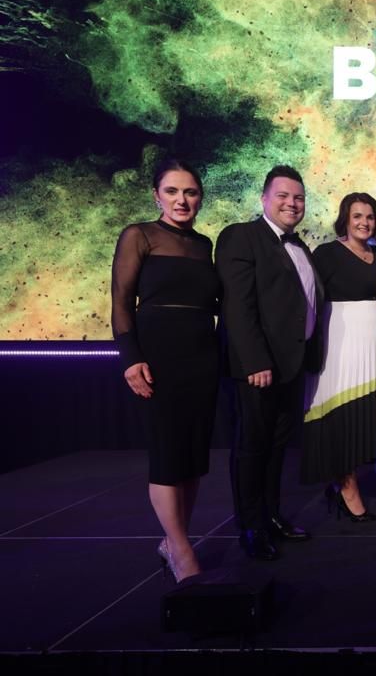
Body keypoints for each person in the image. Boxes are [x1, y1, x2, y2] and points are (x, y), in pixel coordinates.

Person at [111, 158, 219, 582]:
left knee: (192, 455)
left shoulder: (204, 244)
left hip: (203, 355)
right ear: (156, 195)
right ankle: (181, 550)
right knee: (167, 452)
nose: (181, 200)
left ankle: (175, 541)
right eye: (172, 191)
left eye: (190, 192)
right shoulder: (139, 235)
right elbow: (122, 302)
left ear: (200, 198)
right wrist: (130, 358)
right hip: (158, 356)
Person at [216, 165, 322, 560]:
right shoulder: (241, 236)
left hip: (290, 365)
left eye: (298, 197)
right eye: (283, 195)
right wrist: (254, 361)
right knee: (252, 447)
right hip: (258, 369)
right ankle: (250, 527)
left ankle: (272, 516)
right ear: (264, 199)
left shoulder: (301, 247)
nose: (292, 203)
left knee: (277, 448)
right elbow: (238, 307)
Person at [302, 193, 376, 523]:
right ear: (345, 219)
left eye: (370, 216)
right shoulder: (327, 253)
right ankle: (347, 490)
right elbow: (310, 299)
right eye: (357, 216)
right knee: (342, 419)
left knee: (363, 419)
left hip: (373, 350)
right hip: (340, 347)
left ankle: (342, 485)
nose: (364, 222)